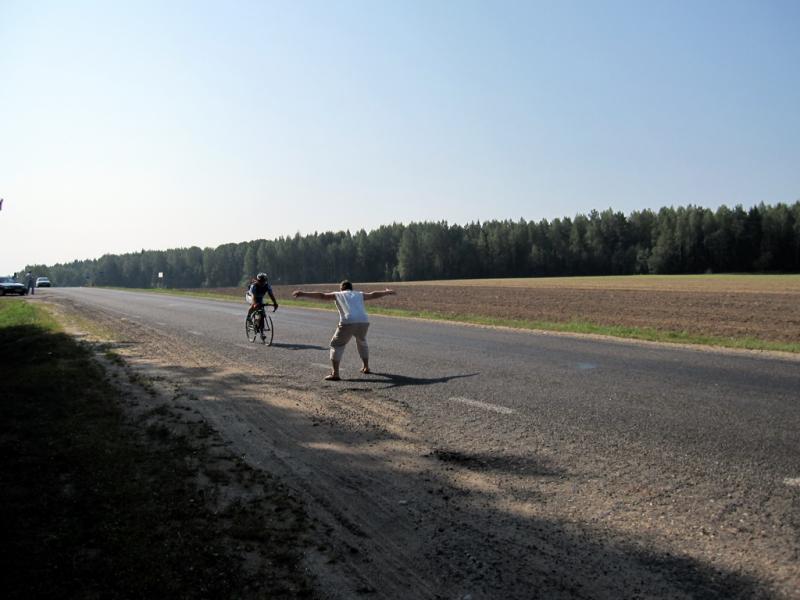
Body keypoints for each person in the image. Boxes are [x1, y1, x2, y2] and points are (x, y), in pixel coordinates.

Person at [292, 280, 396, 381]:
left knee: (336, 345)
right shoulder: (359, 294)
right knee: (362, 341)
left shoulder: (339, 294)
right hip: (364, 320)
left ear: (341, 288)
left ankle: (335, 374)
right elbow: (373, 294)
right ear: (351, 288)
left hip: (348, 321)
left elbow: (322, 295)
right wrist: (387, 292)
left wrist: (303, 293)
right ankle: (366, 367)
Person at [247, 273, 278, 340]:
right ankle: (249, 318)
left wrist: (275, 303)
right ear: (257, 281)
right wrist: (255, 304)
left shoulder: (267, 286)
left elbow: (271, 295)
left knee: (262, 313)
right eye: (260, 281)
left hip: (259, 297)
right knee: (254, 306)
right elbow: (253, 297)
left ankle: (261, 332)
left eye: (264, 281)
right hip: (251, 296)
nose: (262, 283)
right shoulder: (254, 286)